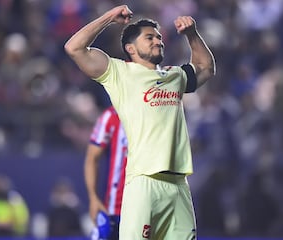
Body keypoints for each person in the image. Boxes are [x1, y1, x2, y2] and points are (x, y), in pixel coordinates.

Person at [65, 4, 215, 239]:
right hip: (143, 183)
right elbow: (74, 48)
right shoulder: (119, 73)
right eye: (150, 38)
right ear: (130, 48)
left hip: (178, 185)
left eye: (158, 37)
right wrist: (108, 17)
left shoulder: (175, 75)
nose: (158, 41)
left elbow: (206, 67)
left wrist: (192, 35)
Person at [84, 106, 127, 240]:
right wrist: (93, 198)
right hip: (115, 207)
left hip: (147, 203)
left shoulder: (153, 112)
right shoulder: (111, 116)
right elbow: (92, 158)